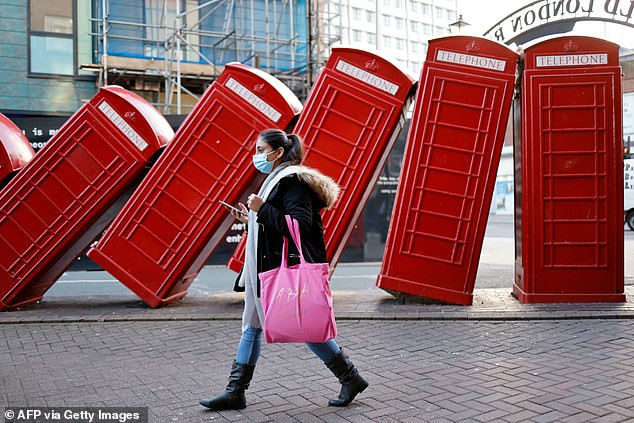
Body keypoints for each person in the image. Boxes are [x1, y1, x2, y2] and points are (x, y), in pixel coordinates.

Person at [199, 129, 369, 410]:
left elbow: (300, 226)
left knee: (301, 327)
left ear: (278, 153)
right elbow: (274, 223)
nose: (256, 155)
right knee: (251, 326)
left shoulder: (292, 183)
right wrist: (250, 216)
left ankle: (350, 377)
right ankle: (235, 391)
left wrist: (263, 209)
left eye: (261, 149)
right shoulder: (275, 180)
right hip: (262, 268)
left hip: (280, 269)